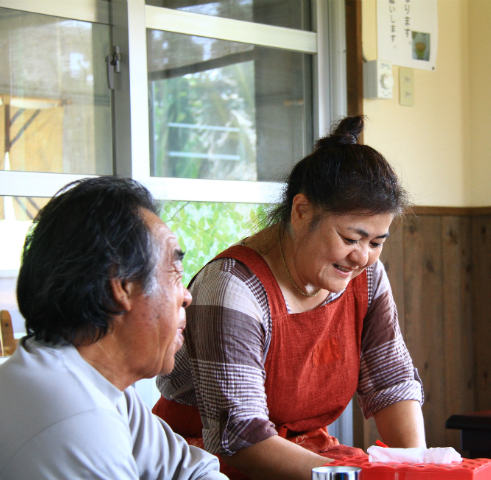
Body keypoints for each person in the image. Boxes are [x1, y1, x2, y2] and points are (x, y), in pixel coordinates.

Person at [153, 116, 425, 480]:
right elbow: (241, 437)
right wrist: (350, 476)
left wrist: (420, 467)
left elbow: (391, 383)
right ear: (301, 211)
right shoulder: (232, 286)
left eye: (376, 243)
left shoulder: (366, 276)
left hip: (308, 456)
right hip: (205, 462)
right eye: (350, 239)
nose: (363, 256)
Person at [0, 177, 227, 480]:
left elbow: (193, 470)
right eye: (175, 273)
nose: (186, 296)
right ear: (122, 287)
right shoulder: (76, 421)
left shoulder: (100, 386)